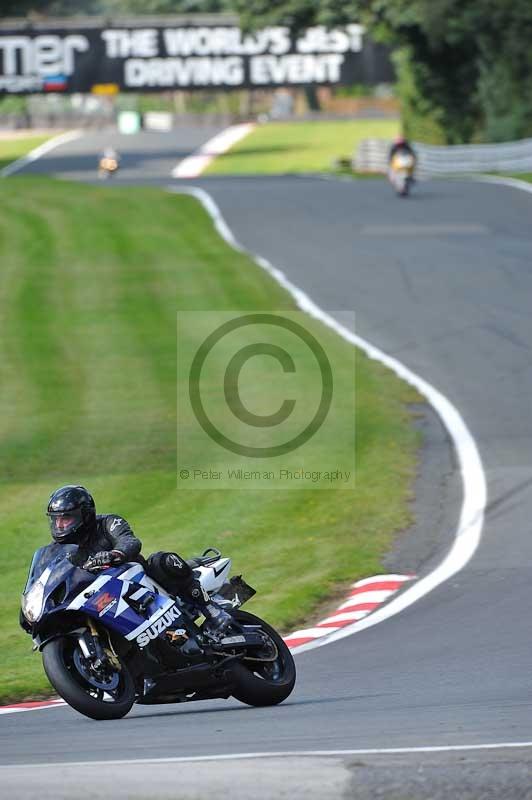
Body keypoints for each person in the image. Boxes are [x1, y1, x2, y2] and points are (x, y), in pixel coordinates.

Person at [45, 484, 231, 633]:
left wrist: (114, 554)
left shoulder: (108, 522)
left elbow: (129, 541)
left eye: (66, 518)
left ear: (84, 514)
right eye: (56, 520)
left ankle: (212, 610)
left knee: (162, 560)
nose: (60, 525)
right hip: (101, 598)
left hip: (138, 581)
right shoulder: (63, 551)